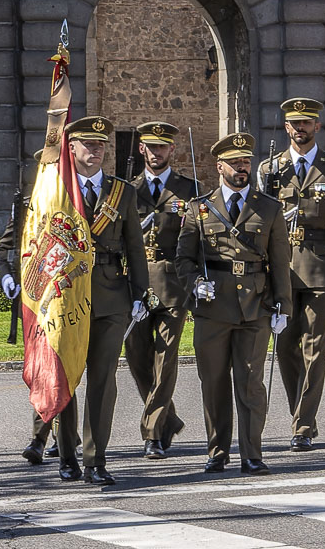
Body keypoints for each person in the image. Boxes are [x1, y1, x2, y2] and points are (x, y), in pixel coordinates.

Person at [175, 132, 290, 474]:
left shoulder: (268, 208)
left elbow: (280, 261)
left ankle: (252, 454)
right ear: (219, 167)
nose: (242, 168)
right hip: (212, 308)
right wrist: (196, 284)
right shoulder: (199, 208)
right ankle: (217, 450)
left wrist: (283, 306)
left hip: (255, 306)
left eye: (246, 162)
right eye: (235, 162)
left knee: (251, 383)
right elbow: (184, 258)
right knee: (213, 383)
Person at [255, 98, 325, 451]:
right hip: (282, 269)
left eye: (306, 122)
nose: (300, 128)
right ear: (286, 127)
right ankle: (301, 415)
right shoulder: (270, 169)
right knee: (285, 348)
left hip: (321, 266)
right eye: (294, 123)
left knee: (313, 348)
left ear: (317, 126)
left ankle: (302, 425)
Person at [50, 116, 149, 487]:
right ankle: (67, 455)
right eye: (88, 144)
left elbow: (135, 247)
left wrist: (139, 293)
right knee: (66, 378)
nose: (96, 150)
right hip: (66, 296)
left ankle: (95, 459)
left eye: (101, 144)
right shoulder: (54, 189)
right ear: (71, 148)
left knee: (103, 380)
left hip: (110, 297)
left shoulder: (122, 192)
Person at [125, 121, 198, 459]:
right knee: (137, 357)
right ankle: (169, 420)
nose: (156, 152)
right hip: (135, 284)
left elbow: (197, 239)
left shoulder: (189, 189)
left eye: (162, 147)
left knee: (165, 358)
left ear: (172, 150)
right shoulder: (127, 189)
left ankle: (153, 432)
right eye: (151, 147)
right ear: (142, 149)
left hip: (172, 283)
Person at [0, 143, 72, 466]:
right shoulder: (27, 206)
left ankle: (60, 437)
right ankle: (43, 438)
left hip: (68, 297)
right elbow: (4, 249)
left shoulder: (73, 204)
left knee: (65, 368)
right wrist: (6, 277)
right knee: (43, 369)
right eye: (45, 167)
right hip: (36, 300)